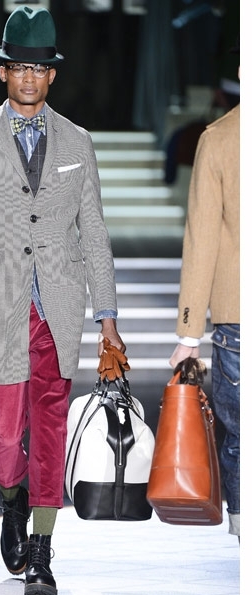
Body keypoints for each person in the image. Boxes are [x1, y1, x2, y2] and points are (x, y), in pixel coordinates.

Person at [0, 5, 125, 595]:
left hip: (58, 308)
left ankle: (42, 551)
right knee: (3, 434)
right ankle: (11, 496)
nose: (29, 77)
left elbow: (93, 232)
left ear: (52, 75)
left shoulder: (78, 142)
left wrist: (107, 318)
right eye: (19, 67)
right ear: (3, 72)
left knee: (49, 428)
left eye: (39, 68)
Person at [169, 42, 239, 540]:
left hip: (237, 314)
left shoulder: (219, 139)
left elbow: (202, 241)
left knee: (240, 439)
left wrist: (188, 335)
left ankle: (243, 531)